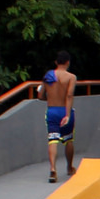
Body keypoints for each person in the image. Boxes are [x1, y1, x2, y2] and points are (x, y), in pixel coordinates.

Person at [40, 50, 77, 183]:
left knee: (52, 140)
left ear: (56, 62)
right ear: (68, 62)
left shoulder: (48, 76)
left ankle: (53, 169)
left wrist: (50, 100)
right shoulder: (71, 77)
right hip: (64, 110)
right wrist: (67, 114)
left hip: (51, 110)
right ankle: (69, 167)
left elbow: (40, 95)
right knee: (68, 139)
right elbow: (69, 95)